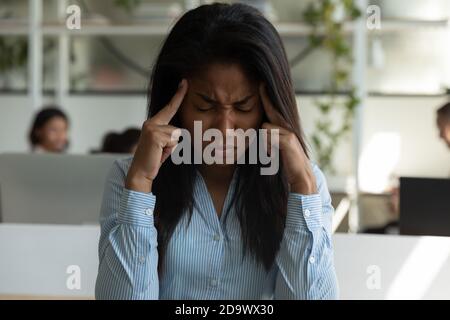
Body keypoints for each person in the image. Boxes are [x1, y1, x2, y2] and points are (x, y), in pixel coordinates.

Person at [95, 3, 337, 300]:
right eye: (205, 106)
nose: (224, 128)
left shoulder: (305, 185)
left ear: (269, 106)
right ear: (175, 103)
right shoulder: (127, 178)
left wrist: (302, 188)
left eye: (243, 107)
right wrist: (141, 184)